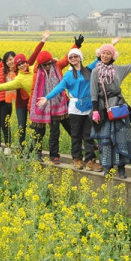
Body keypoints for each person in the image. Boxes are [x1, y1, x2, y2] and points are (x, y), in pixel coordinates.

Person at [37, 41, 104, 172]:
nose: (73, 58)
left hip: (88, 107)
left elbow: (100, 59)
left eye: (76, 56)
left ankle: (90, 160)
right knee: (76, 134)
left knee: (89, 135)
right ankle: (77, 159)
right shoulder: (68, 75)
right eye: (71, 57)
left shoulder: (88, 70)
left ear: (80, 58)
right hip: (75, 108)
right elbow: (59, 88)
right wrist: (47, 98)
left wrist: (111, 45)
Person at [90, 42, 131, 179]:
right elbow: (94, 93)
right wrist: (95, 111)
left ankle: (121, 167)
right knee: (106, 139)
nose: (105, 55)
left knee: (121, 137)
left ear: (112, 56)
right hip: (103, 109)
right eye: (103, 53)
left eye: (108, 53)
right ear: (99, 54)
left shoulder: (117, 69)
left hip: (118, 107)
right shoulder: (95, 71)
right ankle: (108, 167)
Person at [28, 34, 81, 164]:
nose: (47, 66)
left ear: (51, 61)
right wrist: (31, 107)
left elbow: (67, 58)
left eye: (48, 63)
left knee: (55, 132)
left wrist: (76, 45)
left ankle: (54, 155)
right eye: (44, 64)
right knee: (39, 132)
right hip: (41, 105)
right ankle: (37, 153)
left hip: (57, 106)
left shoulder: (57, 66)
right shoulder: (36, 72)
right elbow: (34, 91)